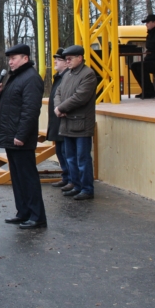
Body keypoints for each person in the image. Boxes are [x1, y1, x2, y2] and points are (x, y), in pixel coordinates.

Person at [0, 44, 46, 229]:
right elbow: (9, 103)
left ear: (25, 58)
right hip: (11, 136)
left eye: (13, 58)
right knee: (18, 177)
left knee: (27, 177)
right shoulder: (16, 78)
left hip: (20, 138)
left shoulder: (31, 78)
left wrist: (21, 135)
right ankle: (23, 212)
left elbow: (30, 111)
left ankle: (37, 216)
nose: (10, 62)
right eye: (9, 59)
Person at [54, 45, 98, 200]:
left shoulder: (88, 74)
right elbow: (57, 92)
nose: (67, 61)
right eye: (66, 59)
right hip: (67, 122)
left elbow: (80, 97)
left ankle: (86, 189)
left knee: (82, 158)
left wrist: (61, 107)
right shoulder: (67, 74)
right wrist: (58, 107)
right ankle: (76, 184)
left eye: (70, 59)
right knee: (70, 157)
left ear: (80, 58)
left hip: (81, 124)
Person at [47, 48, 71, 189]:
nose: (55, 61)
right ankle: (66, 176)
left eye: (59, 59)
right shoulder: (59, 77)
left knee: (66, 152)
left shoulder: (67, 77)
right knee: (60, 151)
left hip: (64, 120)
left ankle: (71, 179)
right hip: (56, 120)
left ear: (66, 63)